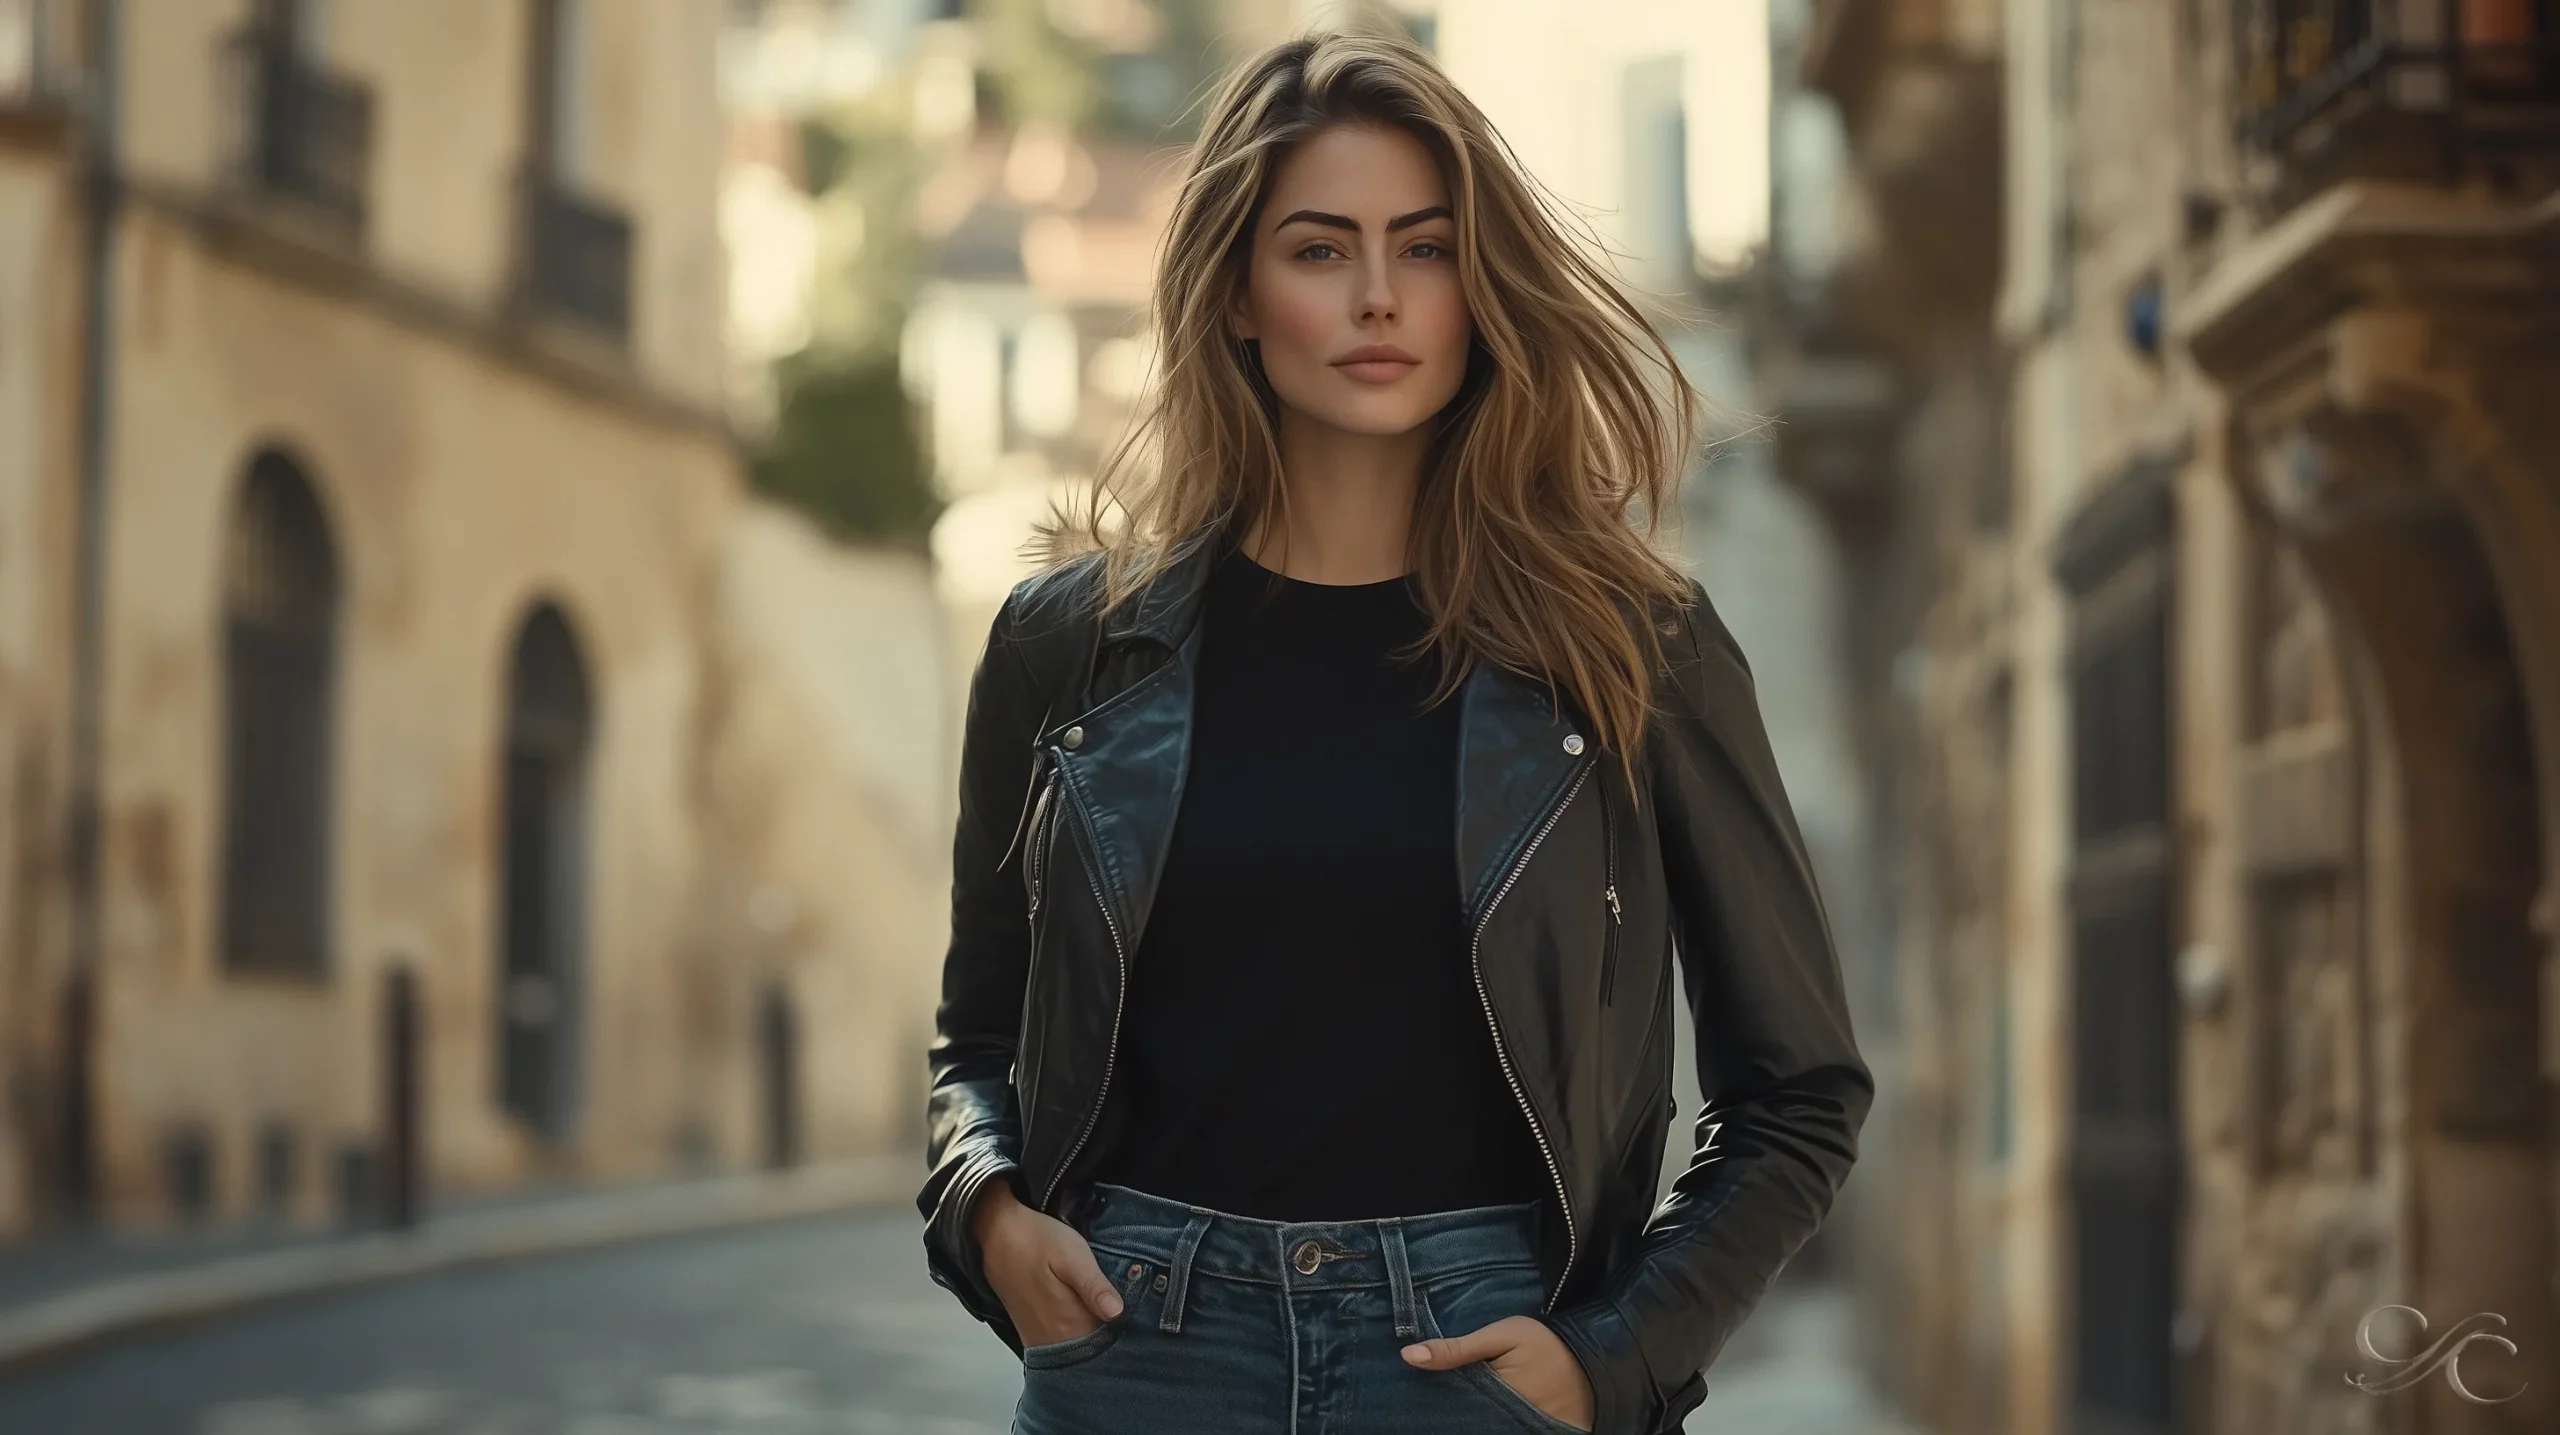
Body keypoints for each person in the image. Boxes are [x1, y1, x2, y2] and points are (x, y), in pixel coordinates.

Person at [918, 29, 1872, 1435]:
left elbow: (1798, 1092)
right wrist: (990, 1211)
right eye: (1319, 251)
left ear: (1480, 288)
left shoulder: (1634, 647)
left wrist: (1611, 1360)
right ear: (1238, 294)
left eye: (1424, 250)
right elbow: (977, 1040)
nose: (1379, 297)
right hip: (1145, 1352)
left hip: (1482, 1352)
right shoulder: (1068, 648)